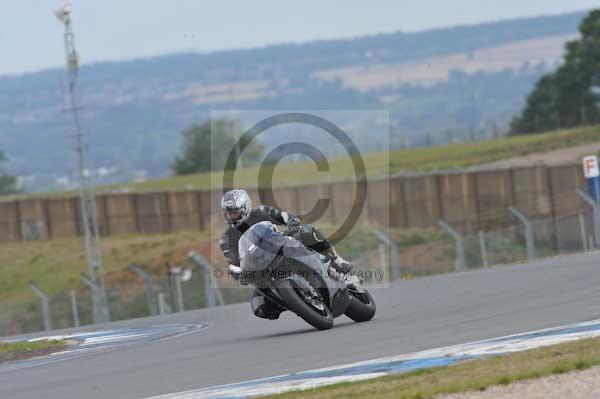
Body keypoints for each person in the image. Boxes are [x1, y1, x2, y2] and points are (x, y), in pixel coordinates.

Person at [219, 189, 351, 320]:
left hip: (281, 245)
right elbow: (234, 262)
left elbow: (284, 216)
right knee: (259, 306)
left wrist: (291, 221)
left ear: (245, 208)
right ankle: (295, 302)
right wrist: (239, 273)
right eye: (229, 214)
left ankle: (336, 259)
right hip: (261, 269)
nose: (231, 217)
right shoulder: (226, 239)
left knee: (308, 232)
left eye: (235, 213)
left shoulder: (261, 212)